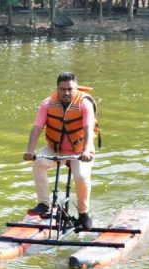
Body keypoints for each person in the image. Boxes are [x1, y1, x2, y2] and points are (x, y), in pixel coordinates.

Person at [22, 72, 99, 229]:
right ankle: (44, 204)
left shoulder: (84, 103)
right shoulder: (48, 104)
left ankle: (83, 214)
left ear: (75, 88)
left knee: (81, 176)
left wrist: (86, 150)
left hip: (80, 150)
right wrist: (30, 150)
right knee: (38, 163)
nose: (66, 93)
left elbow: (88, 127)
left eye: (70, 89)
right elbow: (37, 127)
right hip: (56, 148)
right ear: (57, 89)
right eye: (62, 89)